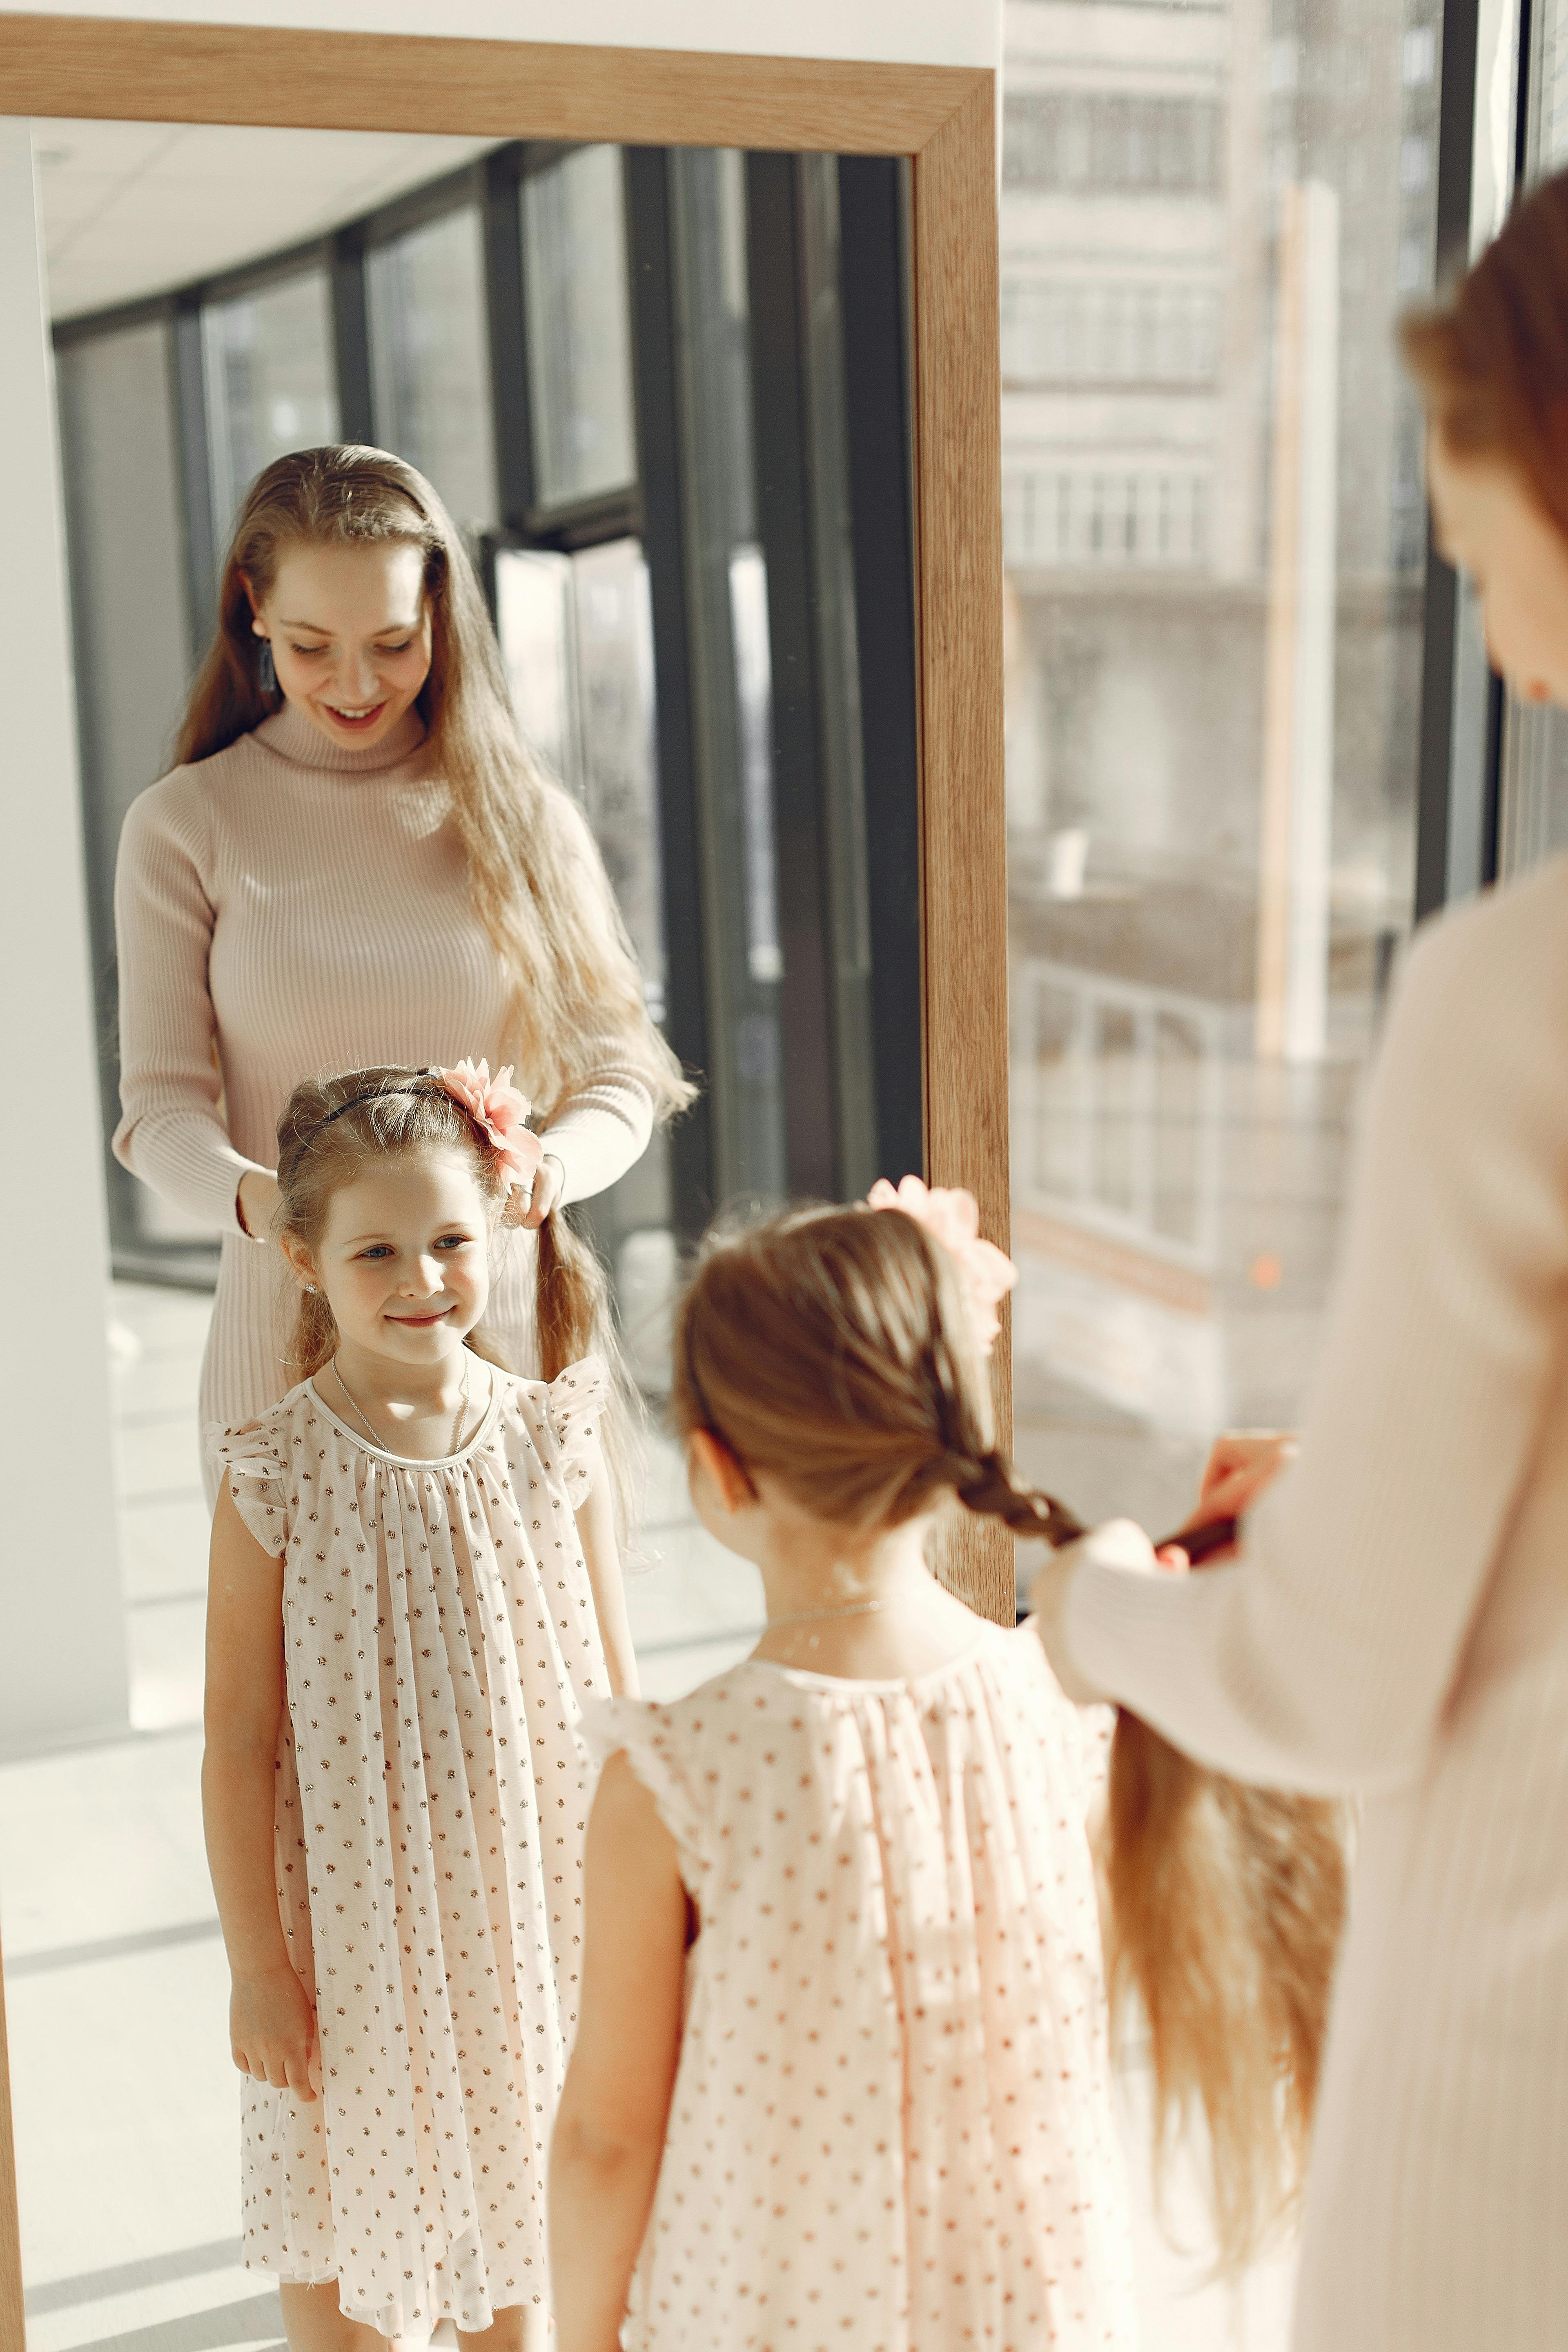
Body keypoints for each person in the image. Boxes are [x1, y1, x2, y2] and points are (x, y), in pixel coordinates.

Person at [1029, 166, 1568, 2352]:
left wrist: (1096, 1615)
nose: (1510, 650)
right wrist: (1355, 1491)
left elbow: (1339, 1690)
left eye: (1486, 567)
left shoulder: (1513, 1003)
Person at [546, 1183, 1343, 2351]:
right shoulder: (1069, 1700)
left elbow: (610, 2138)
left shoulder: (679, 1776)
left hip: (773, 2311)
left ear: (716, 1469)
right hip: (1030, 2310)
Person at [113, 445, 689, 1496]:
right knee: (301, 1667)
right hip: (280, 1348)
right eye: (311, 645)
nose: (355, 683)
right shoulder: (184, 826)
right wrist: (279, 1213)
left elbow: (621, 1074)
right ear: (253, 608)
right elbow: (158, 1114)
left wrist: (548, 1172)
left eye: (393, 641)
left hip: (504, 1336)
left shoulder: (524, 819)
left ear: (441, 611)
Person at [202, 1059, 637, 2351]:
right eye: (376, 1249)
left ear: (502, 1226)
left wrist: (648, 1913)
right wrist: (256, 1968)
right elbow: (237, 1742)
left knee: (523, 2260)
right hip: (349, 1928)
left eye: (451, 1241)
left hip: (530, 1920)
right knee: (347, 2252)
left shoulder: (555, 1437)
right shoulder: (272, 1472)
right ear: (303, 1259)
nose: (421, 1280)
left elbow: (617, 1691)